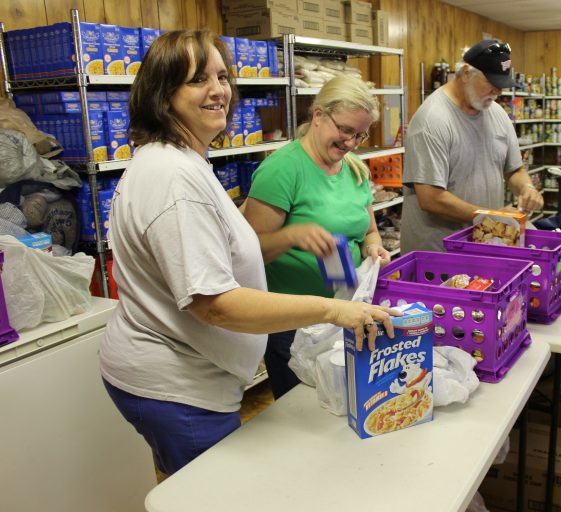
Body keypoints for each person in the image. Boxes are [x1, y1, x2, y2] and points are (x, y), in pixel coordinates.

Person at [99, 29, 397, 477]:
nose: (218, 90)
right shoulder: (174, 180)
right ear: (163, 93)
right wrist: (334, 310)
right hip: (179, 385)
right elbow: (214, 304)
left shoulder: (181, 163)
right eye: (198, 79)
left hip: (191, 378)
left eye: (222, 76)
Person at [243, 74, 390, 400]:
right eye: (346, 130)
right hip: (293, 324)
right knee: (302, 415)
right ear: (319, 115)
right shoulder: (283, 169)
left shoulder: (354, 168)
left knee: (344, 405)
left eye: (360, 134)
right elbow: (246, 253)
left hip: (348, 311)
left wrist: (373, 247)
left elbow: (368, 230)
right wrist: (293, 235)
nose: (352, 143)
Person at [399, 39, 544, 254]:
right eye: (492, 83)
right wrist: (491, 216)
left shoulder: (497, 114)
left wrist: (527, 188)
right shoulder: (433, 120)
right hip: (438, 254)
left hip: (483, 243)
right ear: (466, 73)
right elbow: (431, 198)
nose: (498, 92)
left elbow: (514, 169)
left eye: (501, 85)